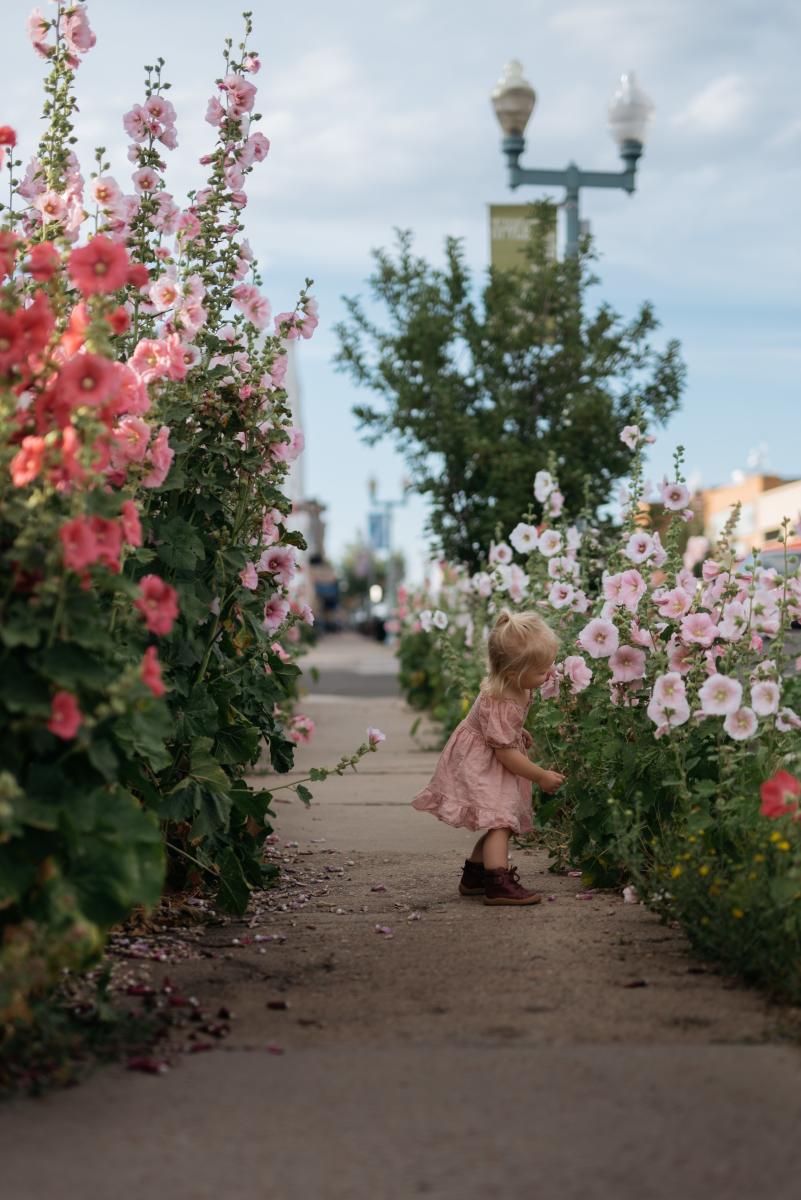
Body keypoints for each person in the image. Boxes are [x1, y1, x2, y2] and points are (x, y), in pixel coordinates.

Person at [412, 609, 565, 906]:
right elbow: (505, 753)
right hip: (483, 763)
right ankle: (498, 883)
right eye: (541, 671)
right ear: (512, 674)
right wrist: (540, 775)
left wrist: (519, 733)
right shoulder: (501, 700)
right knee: (501, 823)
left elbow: (505, 732)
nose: (549, 674)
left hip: (494, 753)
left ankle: (475, 876)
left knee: (501, 821)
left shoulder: (517, 685)